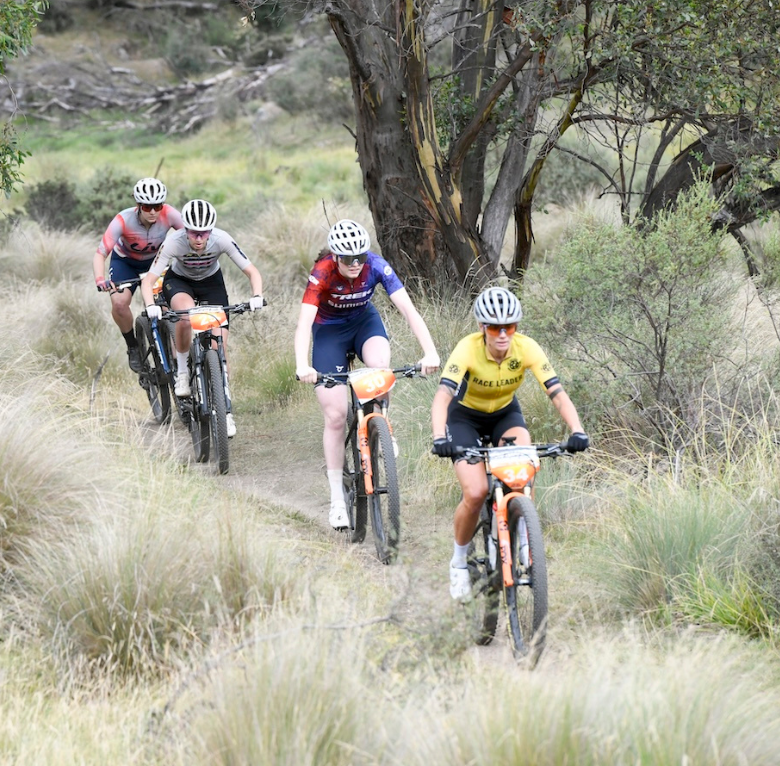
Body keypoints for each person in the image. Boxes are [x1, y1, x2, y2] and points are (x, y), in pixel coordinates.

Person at [430, 286, 590, 602]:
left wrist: (577, 430)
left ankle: (525, 536)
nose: (502, 335)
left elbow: (557, 393)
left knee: (523, 474)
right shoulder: (467, 349)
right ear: (482, 328)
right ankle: (459, 562)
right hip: (464, 419)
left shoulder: (526, 348)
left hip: (505, 414)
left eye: (510, 327)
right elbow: (442, 397)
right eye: (494, 327)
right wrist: (439, 437)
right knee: (475, 492)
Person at [294, 219, 441, 530]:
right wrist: (302, 365)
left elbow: (409, 311)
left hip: (364, 323)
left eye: (360, 256)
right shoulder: (322, 271)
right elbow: (304, 324)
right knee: (336, 415)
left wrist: (430, 352)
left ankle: (383, 430)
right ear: (335, 256)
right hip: (329, 332)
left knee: (380, 369)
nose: (355, 264)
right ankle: (336, 499)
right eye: (347, 259)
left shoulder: (376, 265)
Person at [140, 199, 265, 438]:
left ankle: (226, 413)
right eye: (194, 233)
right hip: (179, 282)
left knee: (220, 348)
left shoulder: (222, 239)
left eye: (204, 233)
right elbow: (148, 281)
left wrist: (257, 295)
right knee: (186, 317)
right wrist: (150, 305)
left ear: (211, 231)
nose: (199, 239)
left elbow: (252, 271)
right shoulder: (173, 243)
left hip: (211, 284)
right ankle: (184, 371)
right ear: (185, 230)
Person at [93, 177, 185, 372]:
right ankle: (133, 346)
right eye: (147, 206)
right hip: (125, 263)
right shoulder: (123, 220)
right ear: (138, 205)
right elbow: (100, 253)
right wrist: (100, 279)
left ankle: (178, 355)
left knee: (168, 305)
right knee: (119, 303)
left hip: (155, 263)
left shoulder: (170, 214)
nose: (153, 211)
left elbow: (190, 237)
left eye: (157, 206)